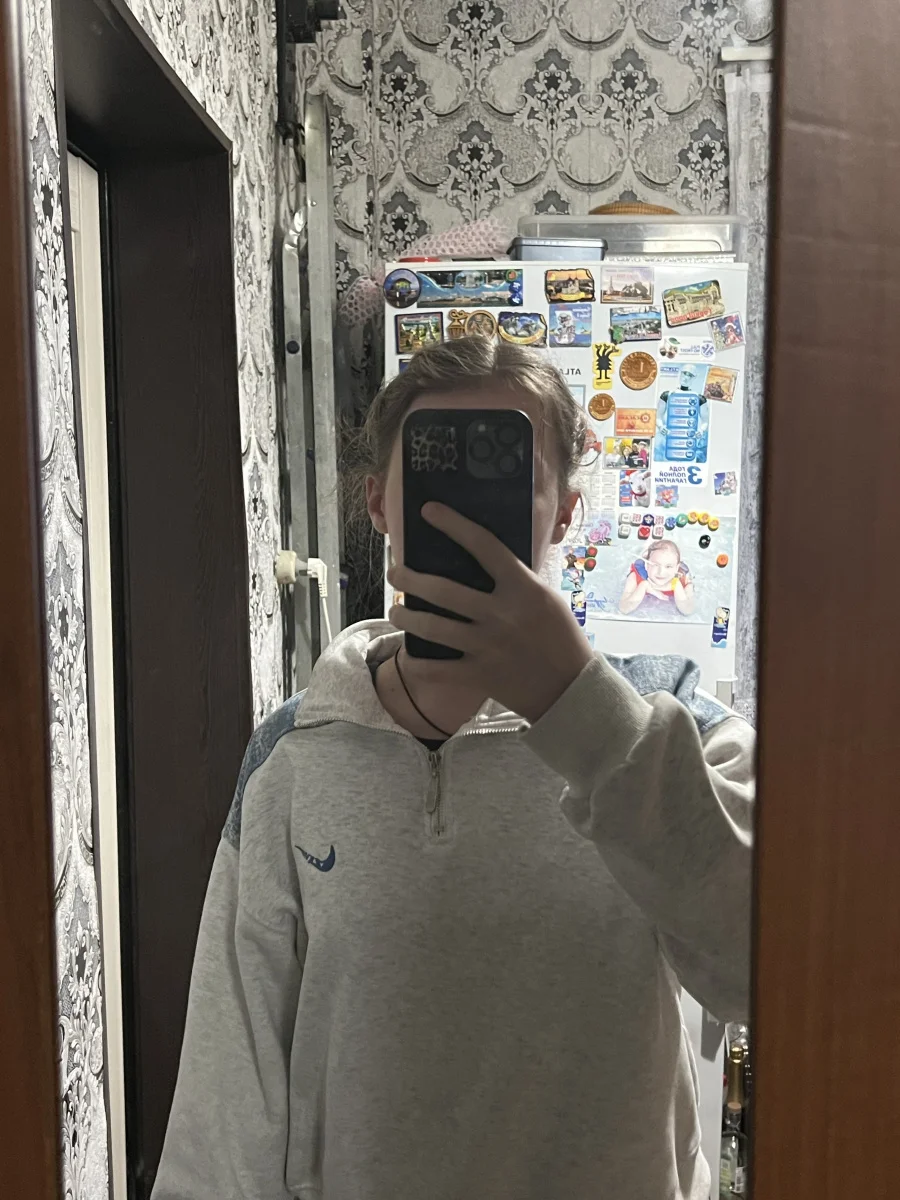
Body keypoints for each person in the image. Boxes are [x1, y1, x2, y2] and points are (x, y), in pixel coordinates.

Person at [152, 337, 753, 1200]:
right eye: (437, 475)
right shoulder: (297, 753)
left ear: (563, 512)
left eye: (507, 475)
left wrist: (582, 711)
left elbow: (770, 971)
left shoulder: (674, 721)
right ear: (379, 503)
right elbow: (230, 1083)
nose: (467, 513)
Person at [619, 538, 696, 617]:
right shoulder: (635, 577)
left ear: (676, 568)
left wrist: (676, 586)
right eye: (655, 565)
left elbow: (687, 610)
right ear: (646, 565)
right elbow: (624, 608)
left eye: (668, 566)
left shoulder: (683, 581)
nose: (661, 572)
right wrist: (644, 586)